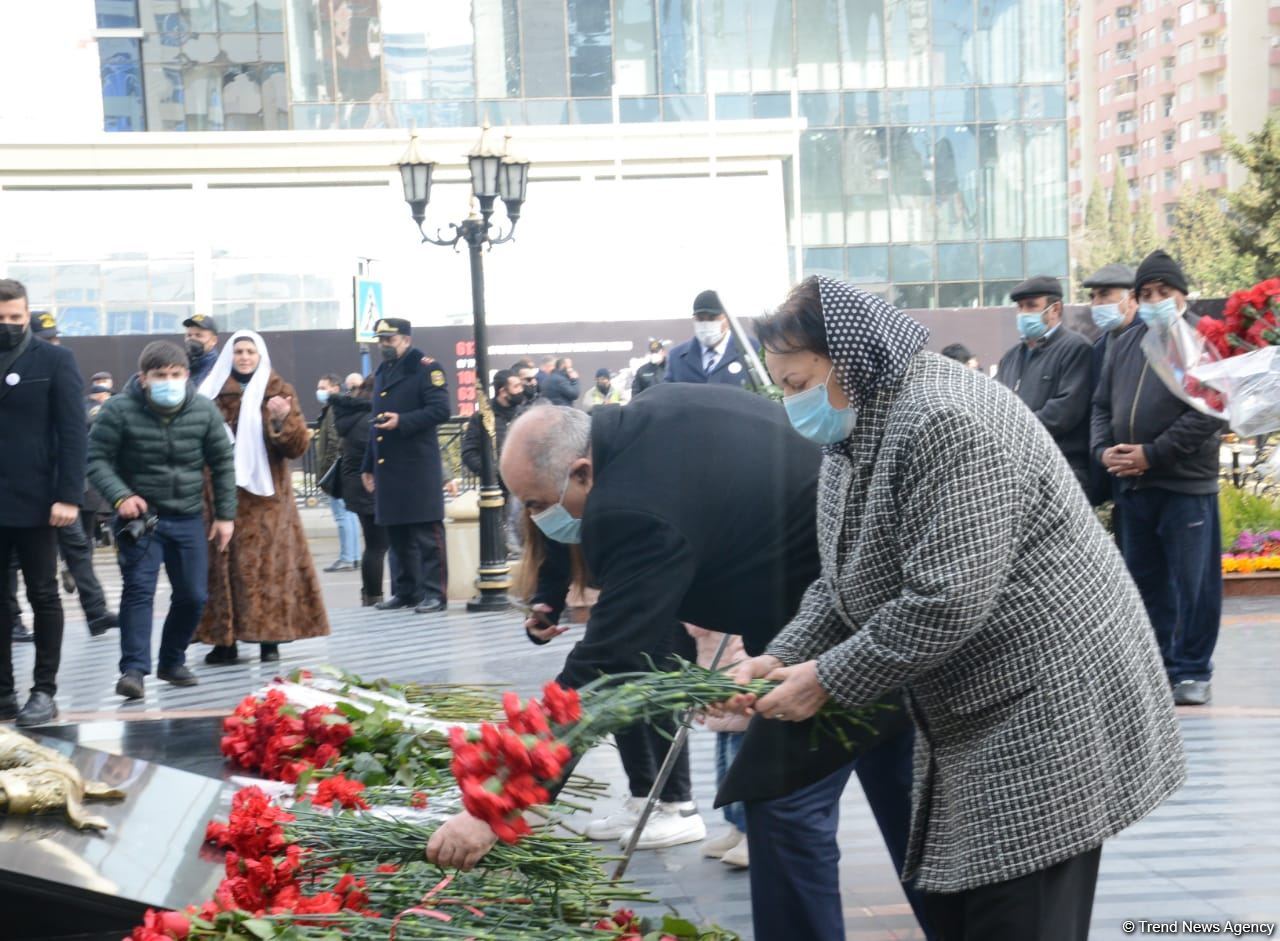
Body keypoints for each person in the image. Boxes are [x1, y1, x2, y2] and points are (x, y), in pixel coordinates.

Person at [726, 276, 1184, 941]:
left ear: (848, 362)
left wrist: (824, 679)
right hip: (974, 708)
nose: (793, 403)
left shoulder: (946, 418)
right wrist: (781, 655)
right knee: (965, 905)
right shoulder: (854, 433)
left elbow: (945, 600)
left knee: (1020, 910)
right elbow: (843, 580)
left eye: (798, 383)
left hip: (1050, 703)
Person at [429, 390, 927, 941]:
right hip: (851, 603)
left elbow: (604, 665)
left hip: (836, 626)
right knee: (910, 808)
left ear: (582, 471)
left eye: (536, 502)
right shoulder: (650, 413)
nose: (537, 517)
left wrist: (496, 802)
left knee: (784, 805)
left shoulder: (630, 507)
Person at [1092, 250, 1224, 707]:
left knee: (1193, 584)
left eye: (1162, 293)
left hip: (1185, 485)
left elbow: (1210, 413)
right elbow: (1101, 406)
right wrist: (1102, 450)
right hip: (1132, 485)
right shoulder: (1127, 343)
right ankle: (1159, 667)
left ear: (1181, 295)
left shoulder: (1202, 341)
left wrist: (1152, 453)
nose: (1153, 301)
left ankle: (1192, 669)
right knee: (1146, 583)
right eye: (1145, 294)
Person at [87, 341, 236, 700]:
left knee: (193, 596)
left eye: (175, 374)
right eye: (160, 376)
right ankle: (134, 671)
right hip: (141, 519)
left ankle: (172, 660)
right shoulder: (118, 411)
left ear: (186, 375)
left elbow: (222, 463)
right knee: (139, 591)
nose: (168, 381)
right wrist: (121, 496)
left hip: (187, 517)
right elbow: (96, 460)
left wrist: (225, 516)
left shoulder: (203, 410)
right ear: (144, 377)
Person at [196, 331, 331, 663]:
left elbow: (296, 447)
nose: (244, 357)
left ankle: (269, 640)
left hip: (266, 499)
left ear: (260, 356)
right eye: (239, 351)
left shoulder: (278, 391)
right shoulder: (210, 391)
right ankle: (224, 641)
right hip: (219, 495)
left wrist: (281, 419)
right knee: (222, 571)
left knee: (266, 572)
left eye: (250, 352)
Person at [0, 279, 86, 727]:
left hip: (38, 502)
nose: (9, 326)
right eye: (1, 319)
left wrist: (69, 495)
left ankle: (43, 690)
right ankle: (2, 693)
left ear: (28, 314)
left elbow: (73, 433)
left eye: (16, 318)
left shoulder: (55, 360)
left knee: (43, 596)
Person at [361, 318, 451, 614]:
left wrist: (403, 421)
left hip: (417, 464)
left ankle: (435, 594)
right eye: (381, 339)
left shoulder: (426, 367)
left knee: (427, 534)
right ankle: (405, 591)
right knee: (397, 534)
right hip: (388, 466)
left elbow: (440, 410)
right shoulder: (383, 370)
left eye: (390, 339)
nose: (384, 344)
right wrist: (368, 465)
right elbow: (375, 423)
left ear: (406, 340)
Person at [994, 276, 1093, 490]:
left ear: (1055, 309)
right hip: (1020, 469)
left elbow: (1065, 411)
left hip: (1063, 468)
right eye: (1020, 307)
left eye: (1031, 306)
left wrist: (1015, 431)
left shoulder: (1076, 349)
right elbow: (995, 404)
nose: (1023, 314)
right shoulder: (1011, 357)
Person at [686, 624, 750, 870]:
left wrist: (737, 679)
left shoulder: (735, 601)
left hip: (739, 691)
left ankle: (751, 834)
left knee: (740, 772)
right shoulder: (707, 612)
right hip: (720, 696)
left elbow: (747, 645)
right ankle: (736, 827)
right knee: (724, 772)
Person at [1081, 263, 1139, 509]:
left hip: (1144, 466)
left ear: (1132, 298)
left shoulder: (1150, 340)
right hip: (1110, 466)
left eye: (1105, 294)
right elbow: (1098, 405)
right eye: (1093, 297)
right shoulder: (1099, 348)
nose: (1096, 304)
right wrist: (1101, 451)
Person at [331, 375, 387, 606]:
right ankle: (373, 595)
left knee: (373, 544)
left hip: (354, 486)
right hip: (369, 486)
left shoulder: (351, 414)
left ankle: (370, 594)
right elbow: (375, 453)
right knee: (378, 546)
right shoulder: (370, 418)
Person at [316, 372, 360, 572]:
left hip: (336, 469)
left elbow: (334, 442)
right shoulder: (335, 408)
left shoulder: (334, 409)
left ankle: (347, 558)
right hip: (343, 466)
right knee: (348, 514)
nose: (319, 392)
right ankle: (354, 556)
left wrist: (326, 471)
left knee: (342, 516)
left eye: (323, 388)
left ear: (335, 389)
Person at [665, 290, 755, 387]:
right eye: (700, 319)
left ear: (727, 319)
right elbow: (667, 395)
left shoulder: (750, 349)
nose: (706, 324)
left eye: (712, 318)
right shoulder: (677, 357)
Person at [183, 313, 219, 388]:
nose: (192, 339)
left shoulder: (217, 368)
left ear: (213, 340)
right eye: (189, 335)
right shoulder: (182, 363)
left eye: (198, 335)